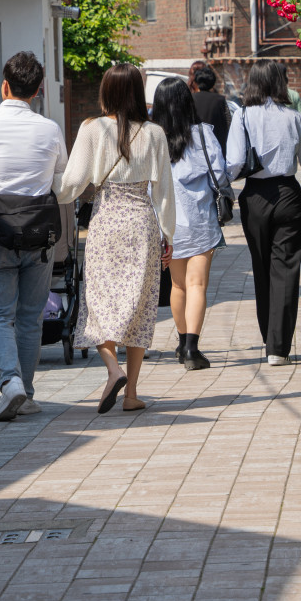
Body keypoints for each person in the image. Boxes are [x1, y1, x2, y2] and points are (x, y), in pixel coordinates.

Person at [57, 63, 175, 413]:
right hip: (142, 223)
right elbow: (165, 191)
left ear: (106, 92)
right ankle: (132, 394)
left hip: (107, 222)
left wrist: (53, 192)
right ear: (138, 93)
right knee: (140, 308)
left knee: (98, 305)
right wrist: (168, 234)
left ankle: (112, 368)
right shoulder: (155, 133)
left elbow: (74, 181)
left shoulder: (92, 128)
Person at [0, 50, 68, 422]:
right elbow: (61, 178)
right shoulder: (50, 129)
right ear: (37, 90)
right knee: (30, 316)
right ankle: (29, 391)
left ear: (5, 85)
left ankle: (10, 384)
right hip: (39, 238)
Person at [225, 59, 301, 365]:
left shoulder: (241, 117)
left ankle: (269, 337)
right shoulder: (296, 118)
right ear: (280, 83)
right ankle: (278, 347)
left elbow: (234, 163)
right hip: (288, 193)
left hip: (254, 195)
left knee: (262, 267)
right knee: (286, 269)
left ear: (252, 83)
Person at [153, 77, 234, 370]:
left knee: (178, 285)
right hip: (200, 220)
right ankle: (191, 349)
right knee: (197, 284)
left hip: (168, 224)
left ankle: (181, 341)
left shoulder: (152, 138)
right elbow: (220, 172)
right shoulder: (202, 134)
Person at [191, 64, 231, 156]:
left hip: (196, 149)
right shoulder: (220, 100)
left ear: (196, 82)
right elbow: (228, 124)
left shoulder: (190, 99)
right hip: (217, 149)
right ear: (213, 82)